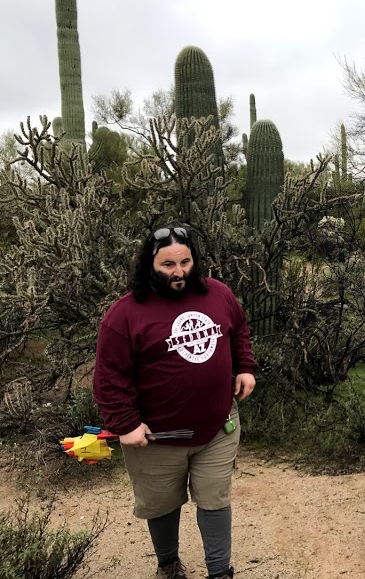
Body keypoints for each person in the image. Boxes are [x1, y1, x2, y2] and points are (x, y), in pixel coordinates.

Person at [93, 227, 257, 579]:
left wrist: (245, 368)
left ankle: (220, 572)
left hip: (217, 426)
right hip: (156, 436)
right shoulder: (124, 315)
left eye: (185, 261)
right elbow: (109, 376)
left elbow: (238, 330)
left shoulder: (219, 294)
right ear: (149, 264)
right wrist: (125, 423)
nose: (179, 271)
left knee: (215, 499)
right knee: (162, 504)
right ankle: (168, 564)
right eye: (168, 264)